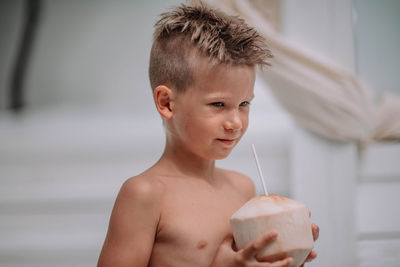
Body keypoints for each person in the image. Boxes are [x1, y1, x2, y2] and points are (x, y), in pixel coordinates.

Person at [98, 2, 319, 267]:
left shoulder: (242, 188)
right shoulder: (145, 194)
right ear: (167, 103)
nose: (235, 122)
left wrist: (284, 258)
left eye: (244, 104)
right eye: (218, 105)